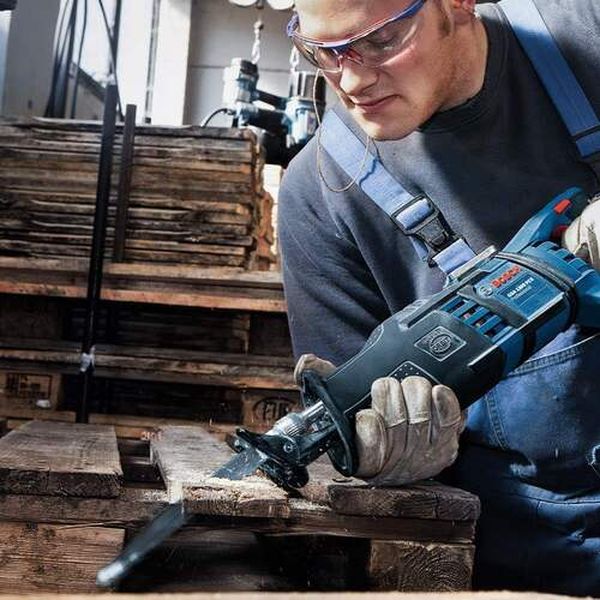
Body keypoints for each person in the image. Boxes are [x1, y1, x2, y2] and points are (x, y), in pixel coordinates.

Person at [277, 0, 600, 594]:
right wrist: (390, 458)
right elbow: (347, 413)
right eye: (324, 52)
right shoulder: (322, 192)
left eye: (380, 41)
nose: (352, 80)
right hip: (542, 558)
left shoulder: (588, 34)